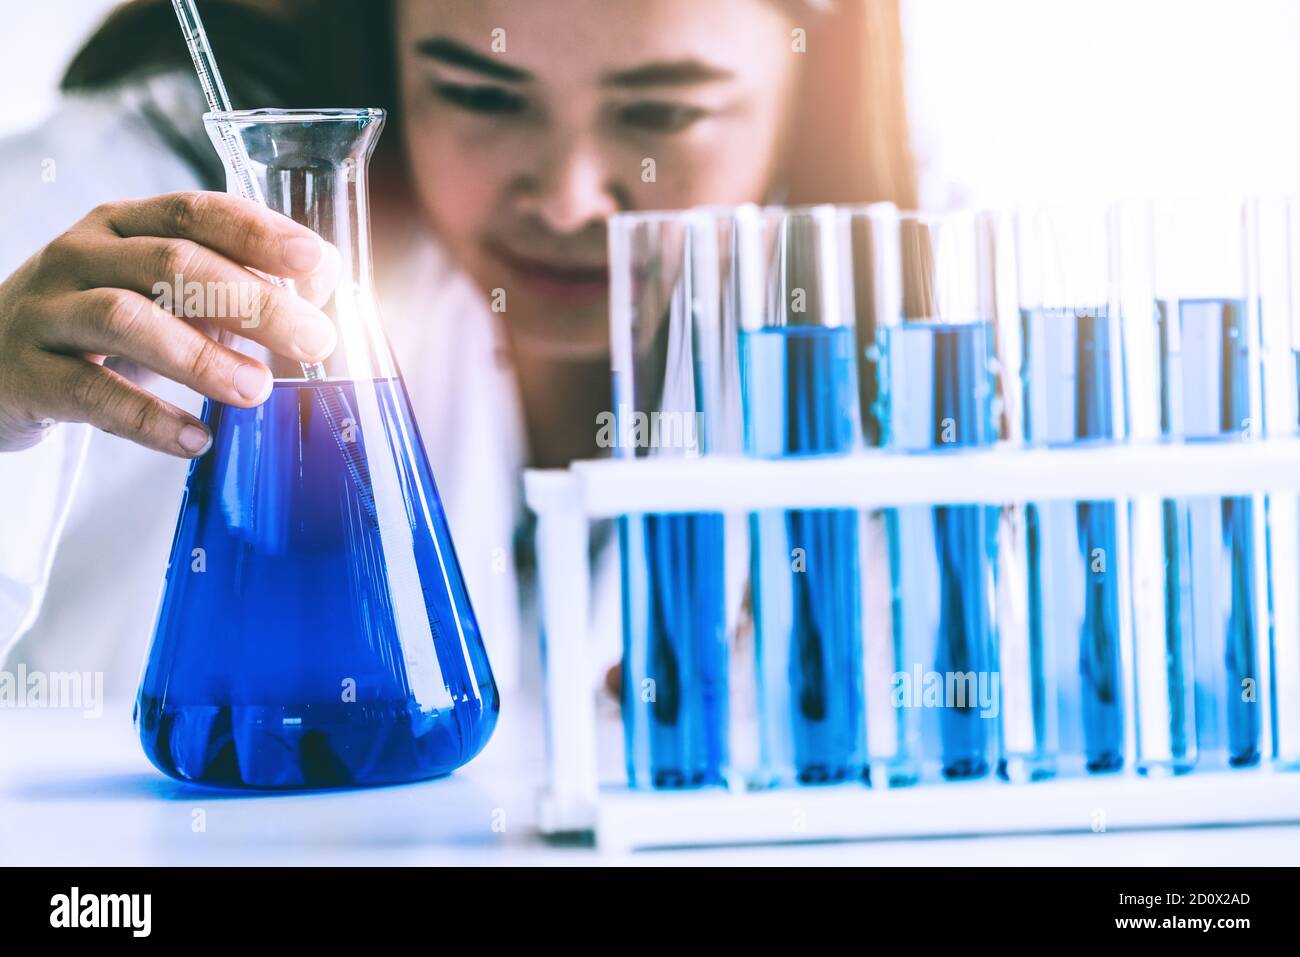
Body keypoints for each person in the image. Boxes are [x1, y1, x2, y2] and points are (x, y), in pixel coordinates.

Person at [0, 0, 915, 699]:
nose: (565, 201)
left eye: (662, 114)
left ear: (814, 77)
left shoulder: (921, 300)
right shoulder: (168, 199)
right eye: (482, 94)